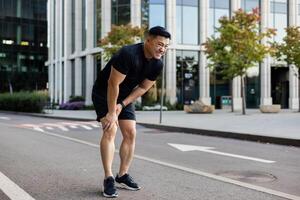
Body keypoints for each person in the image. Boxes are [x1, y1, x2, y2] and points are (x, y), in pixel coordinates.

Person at [92, 26, 171, 198]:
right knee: (110, 128)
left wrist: (123, 103)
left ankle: (122, 175)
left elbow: (143, 87)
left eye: (166, 46)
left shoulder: (157, 64)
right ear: (148, 40)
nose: (162, 49)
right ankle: (109, 178)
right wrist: (112, 112)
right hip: (104, 92)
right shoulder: (128, 54)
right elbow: (113, 84)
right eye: (160, 44)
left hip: (125, 95)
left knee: (130, 133)